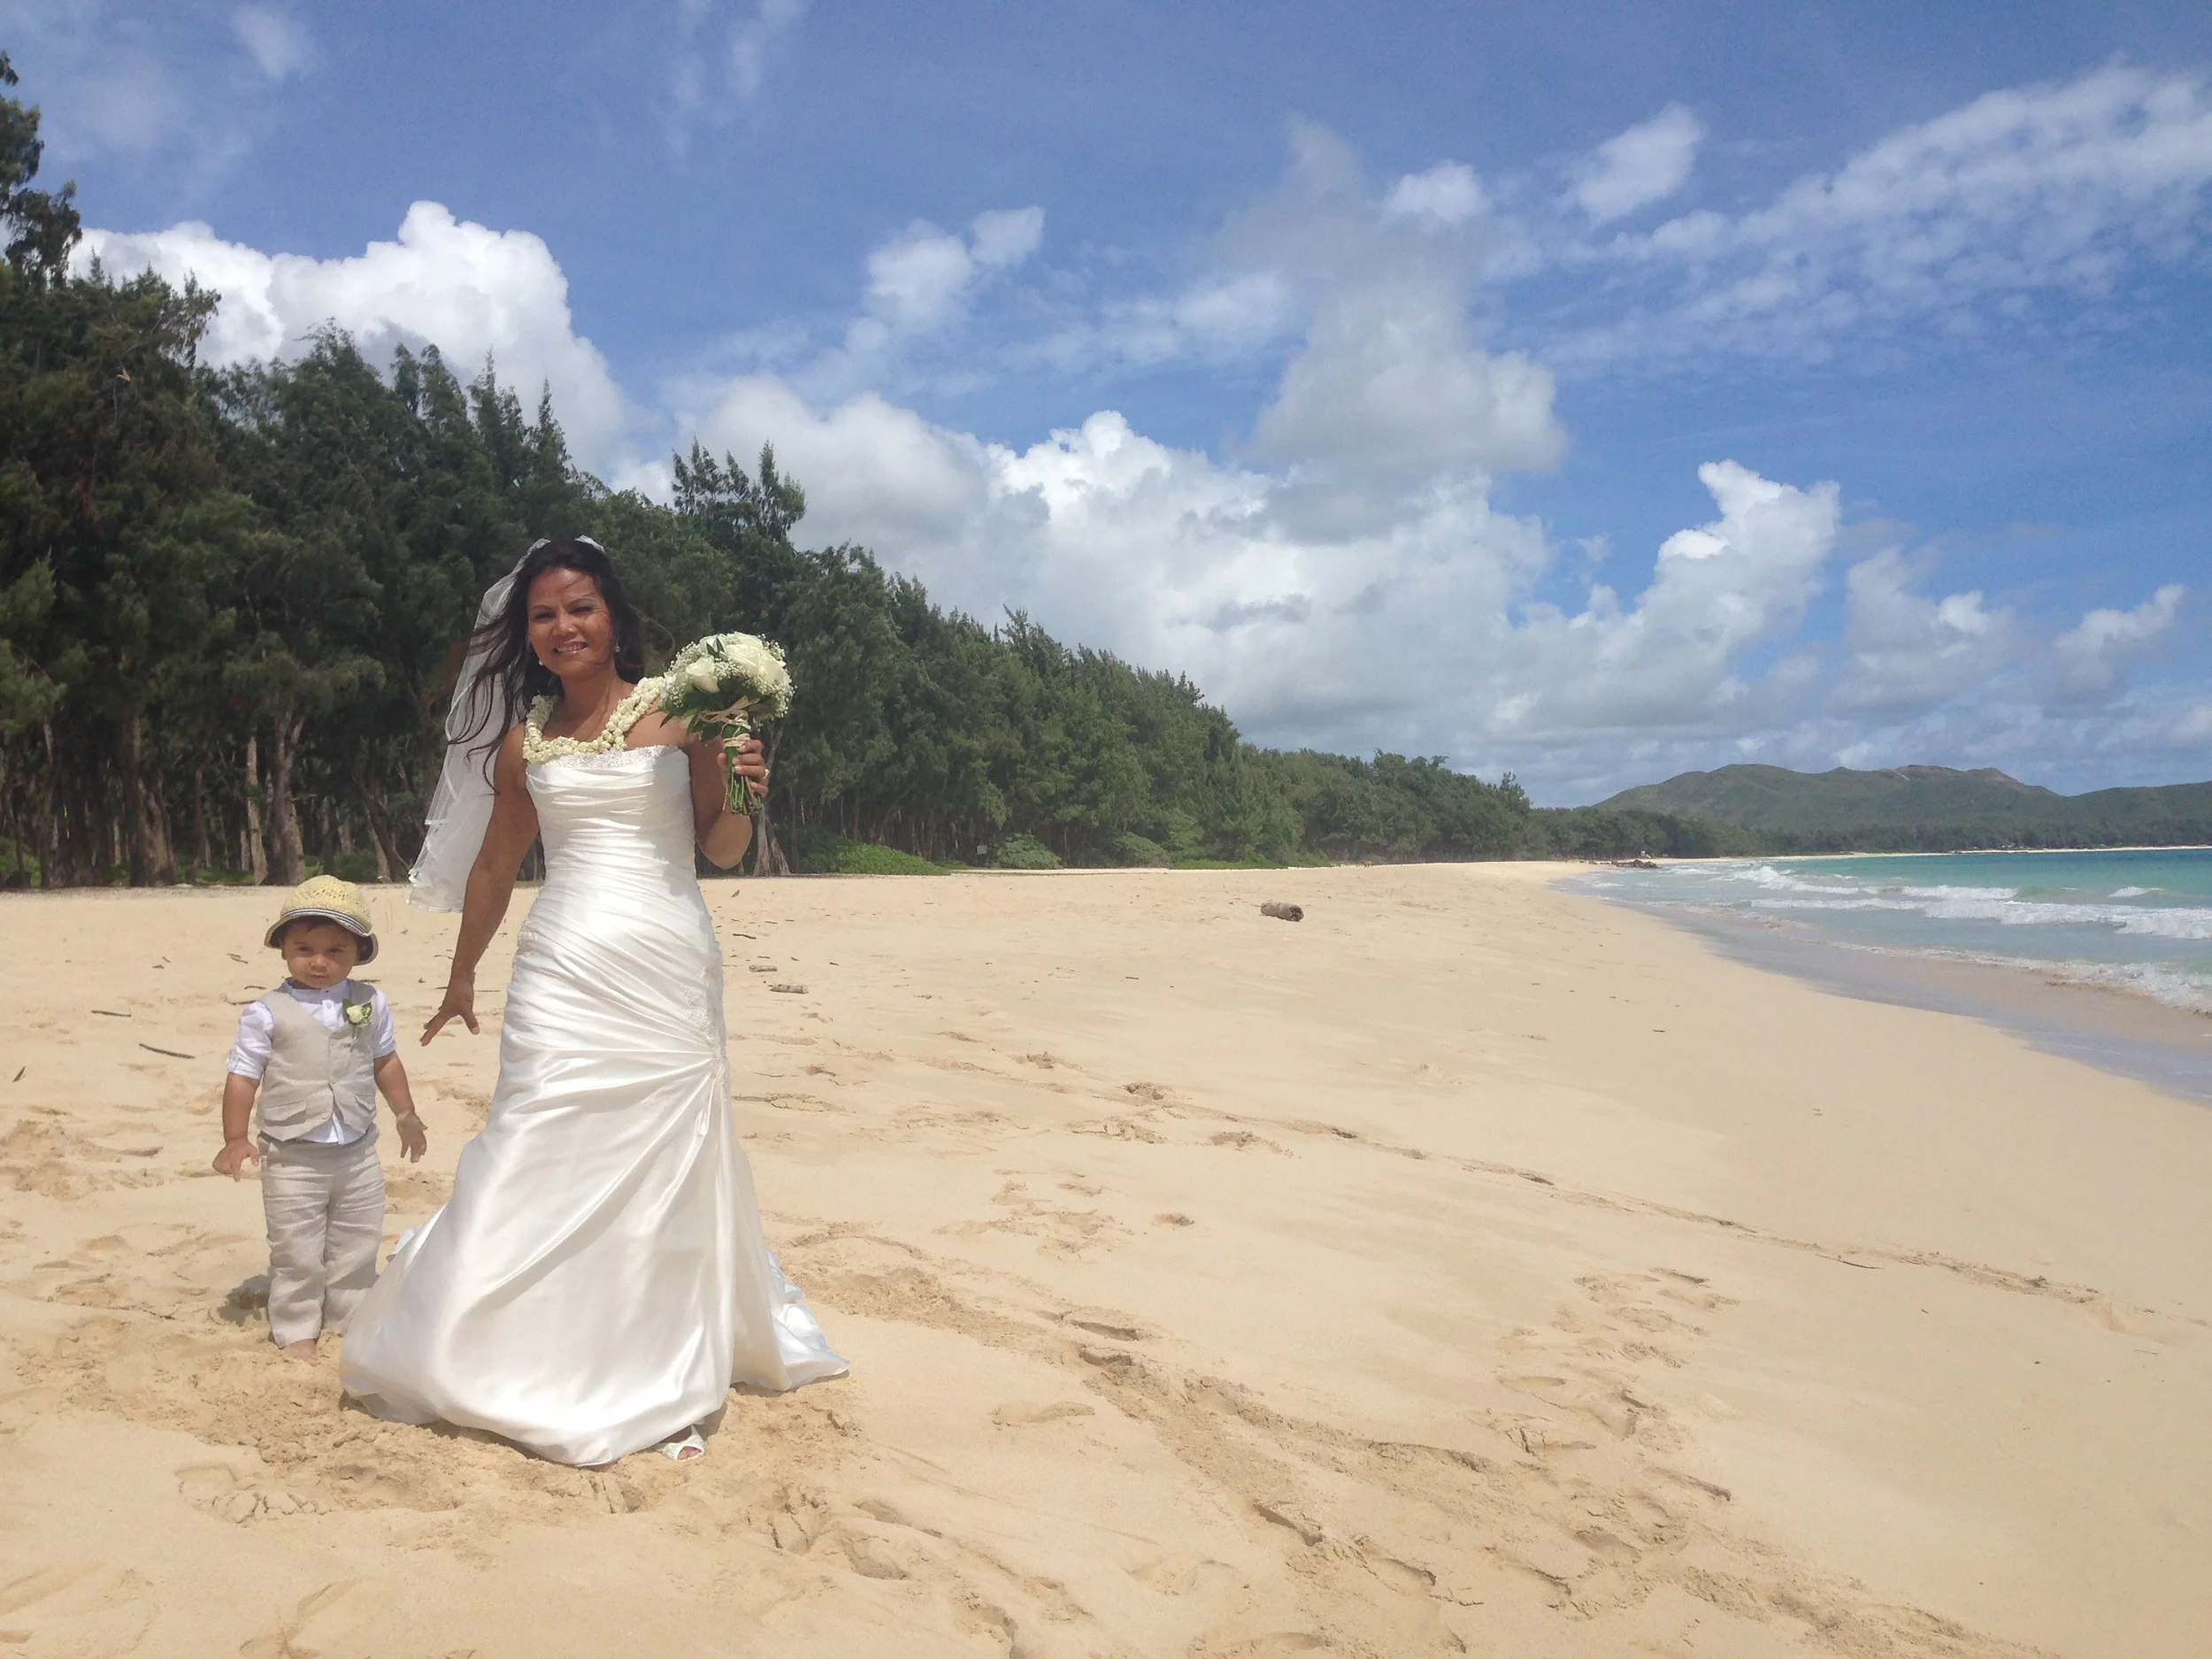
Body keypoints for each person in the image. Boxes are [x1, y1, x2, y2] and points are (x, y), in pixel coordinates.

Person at [339, 536, 847, 1466]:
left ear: (614, 617)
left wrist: (746, 791)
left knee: (660, 1154)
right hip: (561, 964)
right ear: (527, 636)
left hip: (663, 961)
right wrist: (461, 975)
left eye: (580, 608)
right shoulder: (522, 744)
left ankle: (649, 1357)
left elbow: (720, 848)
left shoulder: (686, 712)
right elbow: (495, 867)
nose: (563, 627)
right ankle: (493, 1339)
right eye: (544, 615)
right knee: (533, 1130)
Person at [215, 876, 428, 1363]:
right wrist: (234, 1137)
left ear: (359, 953)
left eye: (335, 951)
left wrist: (406, 1114)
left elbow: (385, 1061)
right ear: (283, 949)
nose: (318, 962)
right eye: (304, 949)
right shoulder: (266, 1012)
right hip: (292, 1154)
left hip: (357, 1149)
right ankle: (296, 1329)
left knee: (358, 1241)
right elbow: (243, 1076)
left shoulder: (370, 1003)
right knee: (296, 1248)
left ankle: (348, 1319)